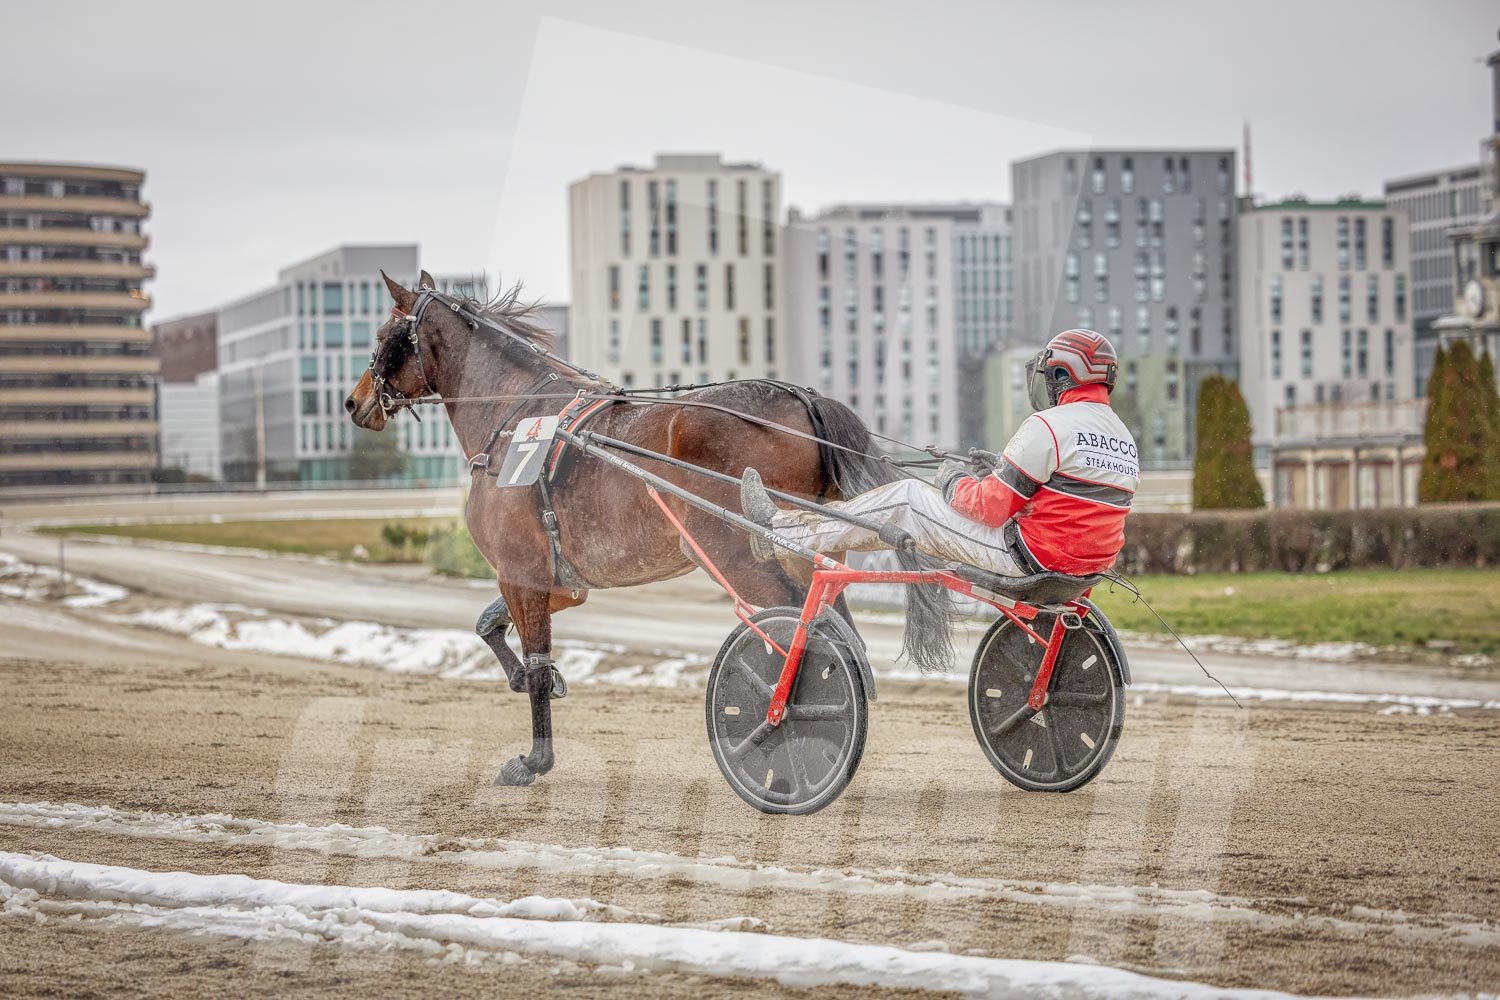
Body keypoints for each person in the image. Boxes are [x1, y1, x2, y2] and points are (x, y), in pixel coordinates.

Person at [740, 329, 1139, 578]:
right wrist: (1000, 469)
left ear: (1061, 375)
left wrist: (952, 480)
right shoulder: (1122, 437)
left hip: (1029, 558)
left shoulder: (1049, 426)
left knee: (907, 499)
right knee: (912, 500)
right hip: (1085, 568)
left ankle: (779, 533)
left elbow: (990, 509)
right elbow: (1066, 502)